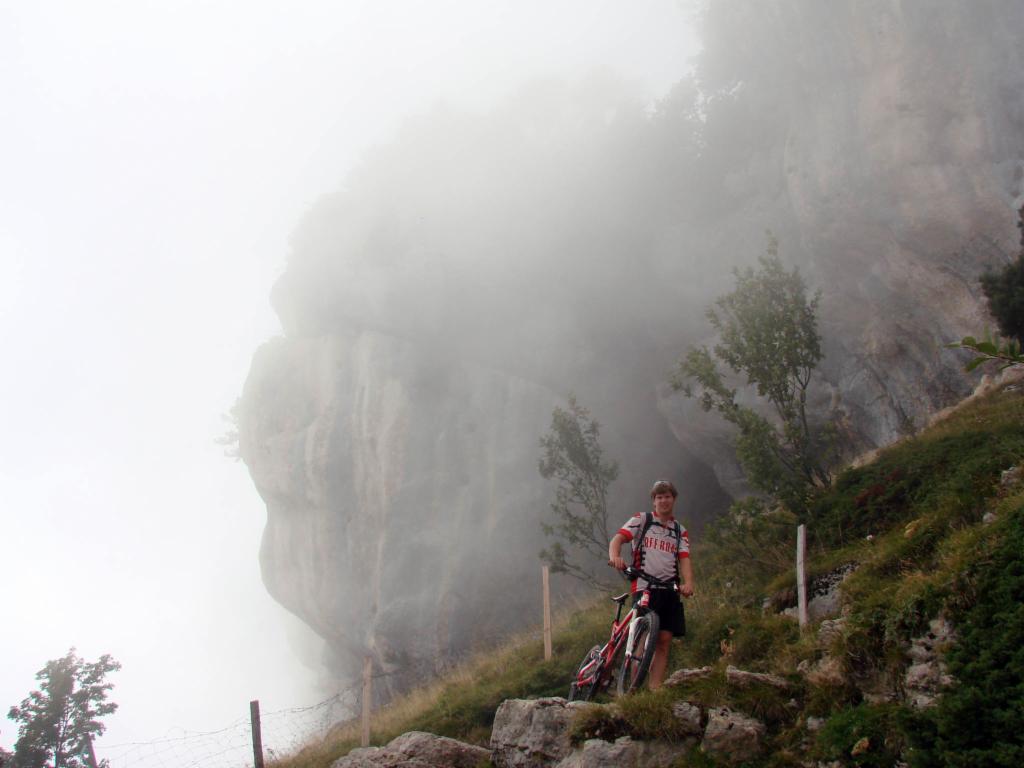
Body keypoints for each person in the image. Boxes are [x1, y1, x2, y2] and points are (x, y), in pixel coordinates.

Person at [607, 479, 694, 689]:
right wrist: (615, 557)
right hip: (645, 586)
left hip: (669, 589)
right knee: (644, 637)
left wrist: (689, 583)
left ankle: (654, 689)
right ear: (653, 501)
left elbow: (684, 559)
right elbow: (617, 539)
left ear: (673, 499)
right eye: (659, 497)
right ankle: (634, 689)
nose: (664, 501)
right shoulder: (641, 520)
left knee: (664, 640)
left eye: (667, 496)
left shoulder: (679, 531)